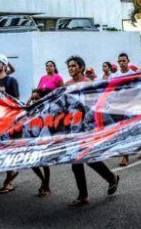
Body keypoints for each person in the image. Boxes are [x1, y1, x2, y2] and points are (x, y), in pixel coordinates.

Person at [64, 56, 120, 206]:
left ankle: (109, 179)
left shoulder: (88, 84)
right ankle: (104, 182)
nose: (71, 68)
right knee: (79, 161)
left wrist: (86, 123)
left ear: (81, 67)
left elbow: (95, 107)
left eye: (73, 66)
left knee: (84, 159)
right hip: (73, 128)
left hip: (87, 128)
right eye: (69, 66)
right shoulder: (67, 84)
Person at [0, 54, 21, 194]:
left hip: (8, 120)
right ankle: (11, 174)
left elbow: (16, 101)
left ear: (4, 65)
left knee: (7, 148)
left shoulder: (11, 80)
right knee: (1, 149)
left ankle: (9, 181)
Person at [27, 88, 53, 197]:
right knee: (32, 163)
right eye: (32, 99)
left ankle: (46, 185)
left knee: (44, 163)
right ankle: (43, 181)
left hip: (43, 140)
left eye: (36, 99)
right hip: (32, 140)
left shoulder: (48, 110)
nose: (34, 101)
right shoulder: (31, 111)